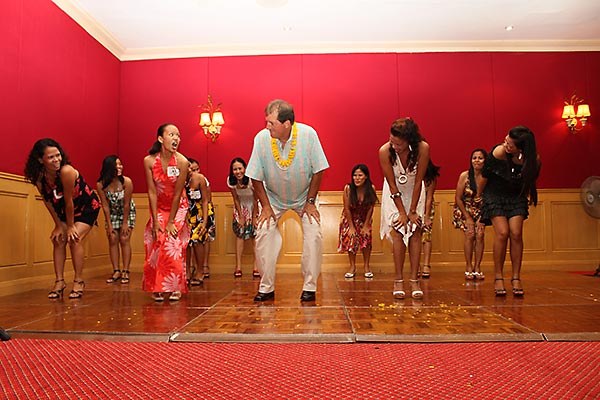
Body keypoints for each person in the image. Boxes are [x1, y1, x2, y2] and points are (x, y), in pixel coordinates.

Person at [246, 99, 329, 302]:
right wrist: (266, 206)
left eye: (271, 123)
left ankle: (309, 287)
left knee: (314, 234)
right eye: (266, 121)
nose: (267, 126)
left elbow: (319, 169)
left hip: (304, 197)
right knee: (263, 233)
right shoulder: (261, 138)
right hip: (272, 198)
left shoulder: (308, 135)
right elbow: (254, 175)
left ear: (287, 123)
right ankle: (266, 287)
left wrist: (310, 201)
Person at [24, 138, 101, 299]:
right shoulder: (39, 176)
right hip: (63, 210)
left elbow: (69, 201)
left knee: (74, 238)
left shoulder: (66, 171)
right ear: (40, 160)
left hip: (86, 207)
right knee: (58, 239)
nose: (56, 160)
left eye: (58, 155)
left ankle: (78, 281)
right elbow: (47, 200)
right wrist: (58, 225)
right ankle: (59, 281)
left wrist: (71, 226)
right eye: (51, 157)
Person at [477, 126, 541, 297]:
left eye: (510, 144)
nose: (506, 143)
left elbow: (530, 181)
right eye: (506, 139)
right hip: (494, 194)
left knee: (516, 233)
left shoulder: (533, 160)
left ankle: (516, 277)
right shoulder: (499, 152)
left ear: (521, 149)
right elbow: (484, 176)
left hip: (515, 196)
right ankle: (498, 277)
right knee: (502, 232)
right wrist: (478, 196)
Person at [379, 117, 429, 299]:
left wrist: (412, 211)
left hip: (415, 192)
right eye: (392, 141)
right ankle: (398, 280)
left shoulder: (423, 148)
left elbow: (419, 181)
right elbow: (392, 184)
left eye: (398, 144)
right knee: (399, 232)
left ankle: (414, 280)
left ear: (409, 140)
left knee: (415, 232)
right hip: (394, 195)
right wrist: (402, 212)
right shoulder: (384, 151)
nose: (394, 147)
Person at [142, 123, 190, 302]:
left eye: (178, 135)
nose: (176, 138)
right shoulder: (149, 161)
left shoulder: (182, 162)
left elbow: (177, 194)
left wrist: (170, 222)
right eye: (172, 135)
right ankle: (157, 286)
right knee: (156, 239)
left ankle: (175, 285)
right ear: (161, 139)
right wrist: (155, 221)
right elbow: (152, 191)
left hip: (178, 206)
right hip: (159, 206)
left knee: (172, 242)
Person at [97, 155, 136, 285]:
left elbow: (126, 204)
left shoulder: (126, 182)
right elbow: (105, 205)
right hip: (112, 212)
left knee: (124, 239)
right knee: (113, 238)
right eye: (116, 165)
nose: (120, 167)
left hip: (126, 212)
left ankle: (126, 270)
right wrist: (109, 225)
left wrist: (125, 223)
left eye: (120, 164)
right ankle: (116, 270)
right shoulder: (101, 184)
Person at [338, 164, 378, 279]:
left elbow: (371, 208)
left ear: (366, 176)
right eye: (355, 175)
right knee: (351, 238)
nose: (357, 178)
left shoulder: (371, 188)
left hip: (364, 218)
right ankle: (352, 267)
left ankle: (366, 267)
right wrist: (351, 227)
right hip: (350, 217)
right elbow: (347, 208)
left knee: (366, 238)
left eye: (360, 175)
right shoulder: (348, 188)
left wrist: (366, 225)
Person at [453, 149, 487, 280]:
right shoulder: (465, 176)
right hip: (464, 209)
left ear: (485, 161)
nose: (477, 161)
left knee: (480, 235)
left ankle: (477, 267)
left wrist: (481, 218)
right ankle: (468, 266)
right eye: (474, 158)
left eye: (480, 158)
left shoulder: (488, 177)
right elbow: (458, 198)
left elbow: (490, 199)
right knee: (470, 234)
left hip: (482, 210)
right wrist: (467, 217)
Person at [227, 157, 259, 278]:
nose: (238, 172)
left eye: (240, 168)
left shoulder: (251, 180)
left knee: (255, 235)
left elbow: (256, 199)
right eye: (235, 169)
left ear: (245, 169)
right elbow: (235, 198)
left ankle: (256, 266)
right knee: (240, 235)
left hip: (254, 207)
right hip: (241, 207)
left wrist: (254, 217)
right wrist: (240, 216)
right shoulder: (231, 181)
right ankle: (238, 266)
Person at [185, 158, 213, 286]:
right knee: (186, 242)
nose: (190, 170)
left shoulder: (200, 179)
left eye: (192, 168)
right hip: (187, 213)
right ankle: (187, 271)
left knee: (197, 240)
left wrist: (204, 221)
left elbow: (206, 200)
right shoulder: (181, 180)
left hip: (201, 212)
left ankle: (200, 271)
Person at [420, 160, 440, 279]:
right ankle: (415, 264)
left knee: (426, 235)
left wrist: (426, 216)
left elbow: (429, 198)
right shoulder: (411, 175)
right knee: (414, 236)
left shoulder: (430, 178)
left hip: (427, 207)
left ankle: (426, 264)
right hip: (412, 207)